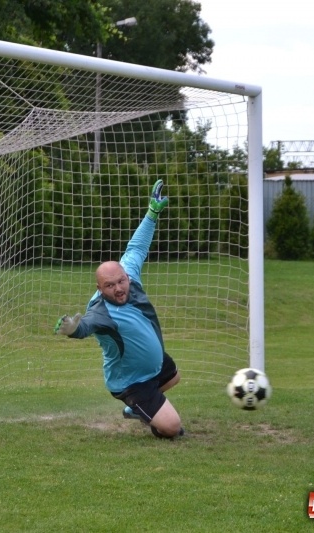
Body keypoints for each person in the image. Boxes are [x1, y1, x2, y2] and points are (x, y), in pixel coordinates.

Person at [54, 180, 184, 439]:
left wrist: (152, 213)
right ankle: (138, 406)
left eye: (121, 281)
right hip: (129, 380)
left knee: (174, 376)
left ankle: (136, 410)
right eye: (110, 286)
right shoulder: (101, 312)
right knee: (171, 428)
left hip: (153, 368)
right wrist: (72, 329)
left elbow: (136, 247)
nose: (119, 288)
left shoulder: (130, 274)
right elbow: (86, 326)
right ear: (100, 289)